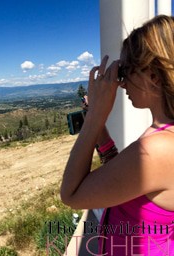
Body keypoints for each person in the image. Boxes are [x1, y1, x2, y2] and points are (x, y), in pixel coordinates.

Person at [61, 15, 174, 255]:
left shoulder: (160, 149)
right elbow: (127, 181)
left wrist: (95, 117)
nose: (121, 84)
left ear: (153, 76)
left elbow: (71, 195)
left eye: (124, 70)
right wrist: (100, 132)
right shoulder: (164, 137)